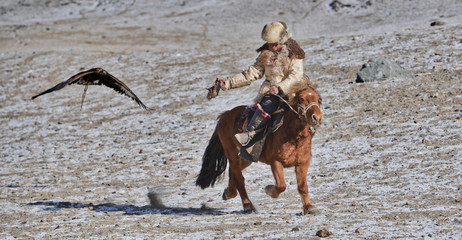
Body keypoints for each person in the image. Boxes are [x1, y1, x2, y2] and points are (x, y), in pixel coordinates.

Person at [210, 21, 307, 162]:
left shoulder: (295, 53)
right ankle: (251, 143)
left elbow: (295, 76)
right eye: (269, 43)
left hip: (293, 90)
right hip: (271, 92)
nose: (271, 46)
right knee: (265, 108)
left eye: (274, 43)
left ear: (282, 40)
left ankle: (306, 144)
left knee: (310, 108)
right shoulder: (265, 55)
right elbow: (251, 74)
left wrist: (281, 87)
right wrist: (228, 83)